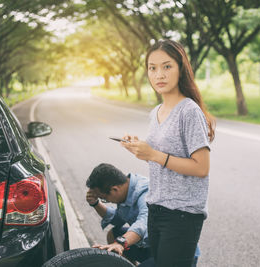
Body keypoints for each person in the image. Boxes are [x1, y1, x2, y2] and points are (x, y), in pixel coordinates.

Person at [121, 39, 215, 267]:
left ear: (181, 68)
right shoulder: (156, 112)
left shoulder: (189, 111)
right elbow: (159, 154)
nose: (159, 75)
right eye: (152, 68)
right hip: (156, 209)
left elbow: (201, 167)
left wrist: (152, 154)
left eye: (167, 66)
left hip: (182, 214)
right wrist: (140, 148)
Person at [85, 163, 151, 264]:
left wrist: (121, 242)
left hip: (166, 249)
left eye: (104, 199)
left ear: (114, 189)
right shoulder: (126, 190)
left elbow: (144, 223)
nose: (108, 201)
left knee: (119, 240)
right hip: (147, 242)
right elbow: (117, 218)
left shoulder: (145, 191)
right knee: (113, 235)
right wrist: (95, 203)